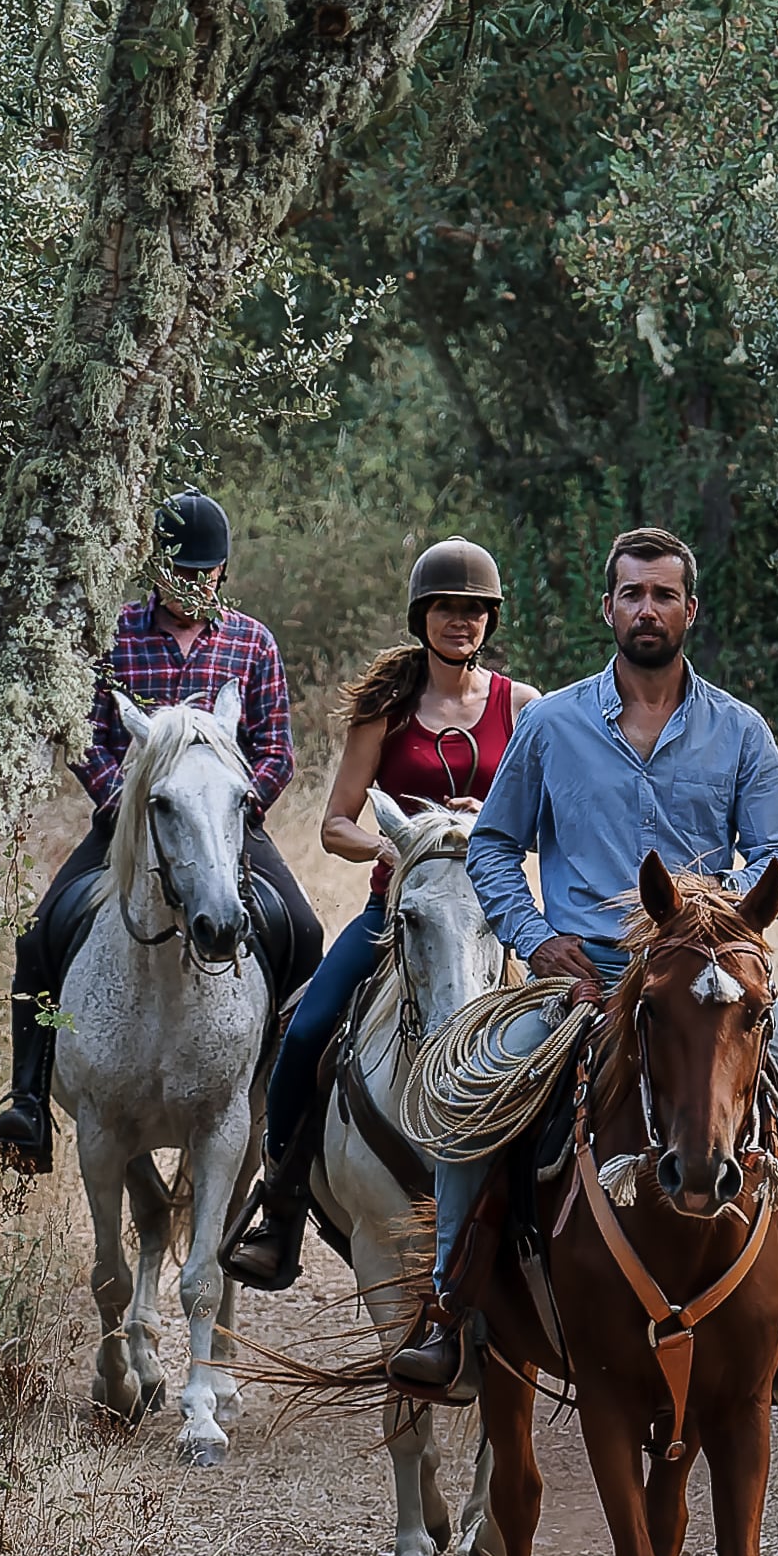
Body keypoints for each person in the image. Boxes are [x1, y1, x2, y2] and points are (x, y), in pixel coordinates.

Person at [386, 525, 778, 1417]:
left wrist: (715, 919)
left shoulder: (741, 732)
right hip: (584, 979)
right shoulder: (552, 724)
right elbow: (493, 845)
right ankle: (447, 1313)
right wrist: (535, 937)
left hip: (706, 980)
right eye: (632, 594)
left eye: (664, 594)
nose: (647, 609)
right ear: (607, 607)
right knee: (472, 1108)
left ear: (691, 610)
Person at [0, 489, 326, 1174]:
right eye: (179, 571)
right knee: (39, 937)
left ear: (222, 571)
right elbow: (86, 740)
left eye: (204, 572)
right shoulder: (112, 639)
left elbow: (276, 751)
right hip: (127, 828)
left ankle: (283, 1093)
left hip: (225, 827)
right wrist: (129, 806)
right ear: (154, 568)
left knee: (304, 932)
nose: (192, 584)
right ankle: (28, 1093)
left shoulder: (251, 642)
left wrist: (234, 807)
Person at [221, 540, 525, 1288]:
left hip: (492, 919)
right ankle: (282, 1204)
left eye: (475, 610)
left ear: (490, 619)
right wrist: (407, 840)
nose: (462, 621)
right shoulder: (386, 709)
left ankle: (544, 1209)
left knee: (559, 1043)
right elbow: (335, 823)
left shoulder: (525, 707)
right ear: (422, 615)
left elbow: (547, 818)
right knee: (306, 1031)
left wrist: (489, 820)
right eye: (448, 609)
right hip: (395, 913)